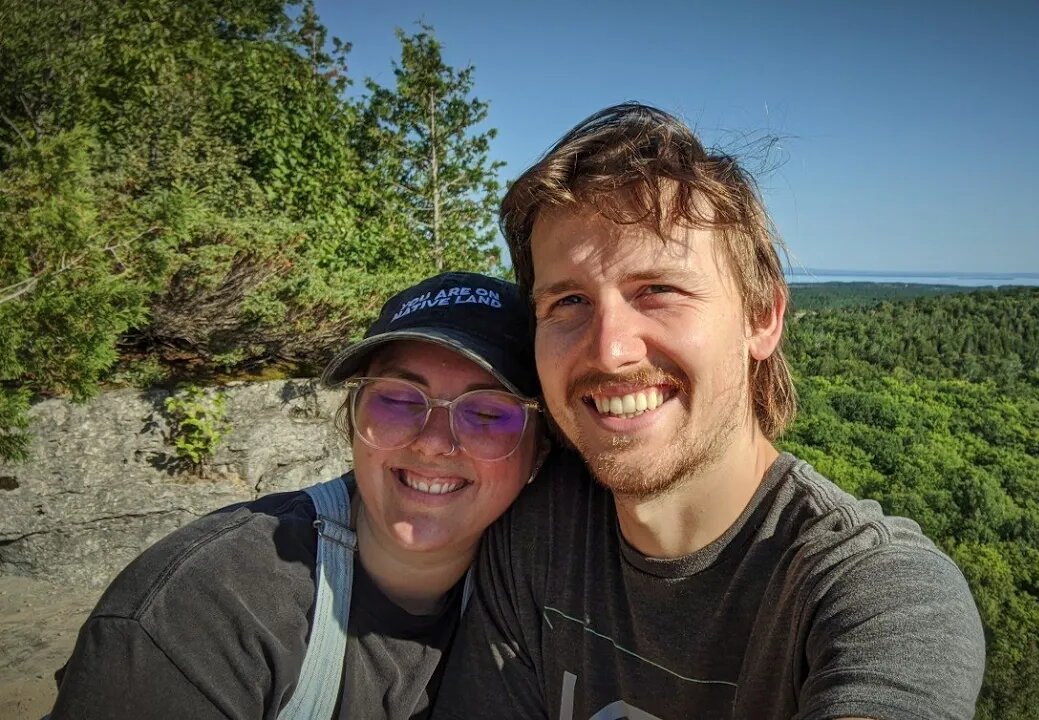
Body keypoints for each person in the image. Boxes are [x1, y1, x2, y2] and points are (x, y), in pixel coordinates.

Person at [434, 104, 986, 719]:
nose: (611, 350)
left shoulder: (873, 594)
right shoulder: (538, 539)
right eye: (568, 301)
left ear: (762, 317)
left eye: (658, 290)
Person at [49, 272, 545, 719]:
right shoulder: (201, 612)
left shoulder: (547, 599)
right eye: (397, 398)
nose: (433, 442)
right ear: (353, 416)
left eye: (487, 414)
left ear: (541, 449)